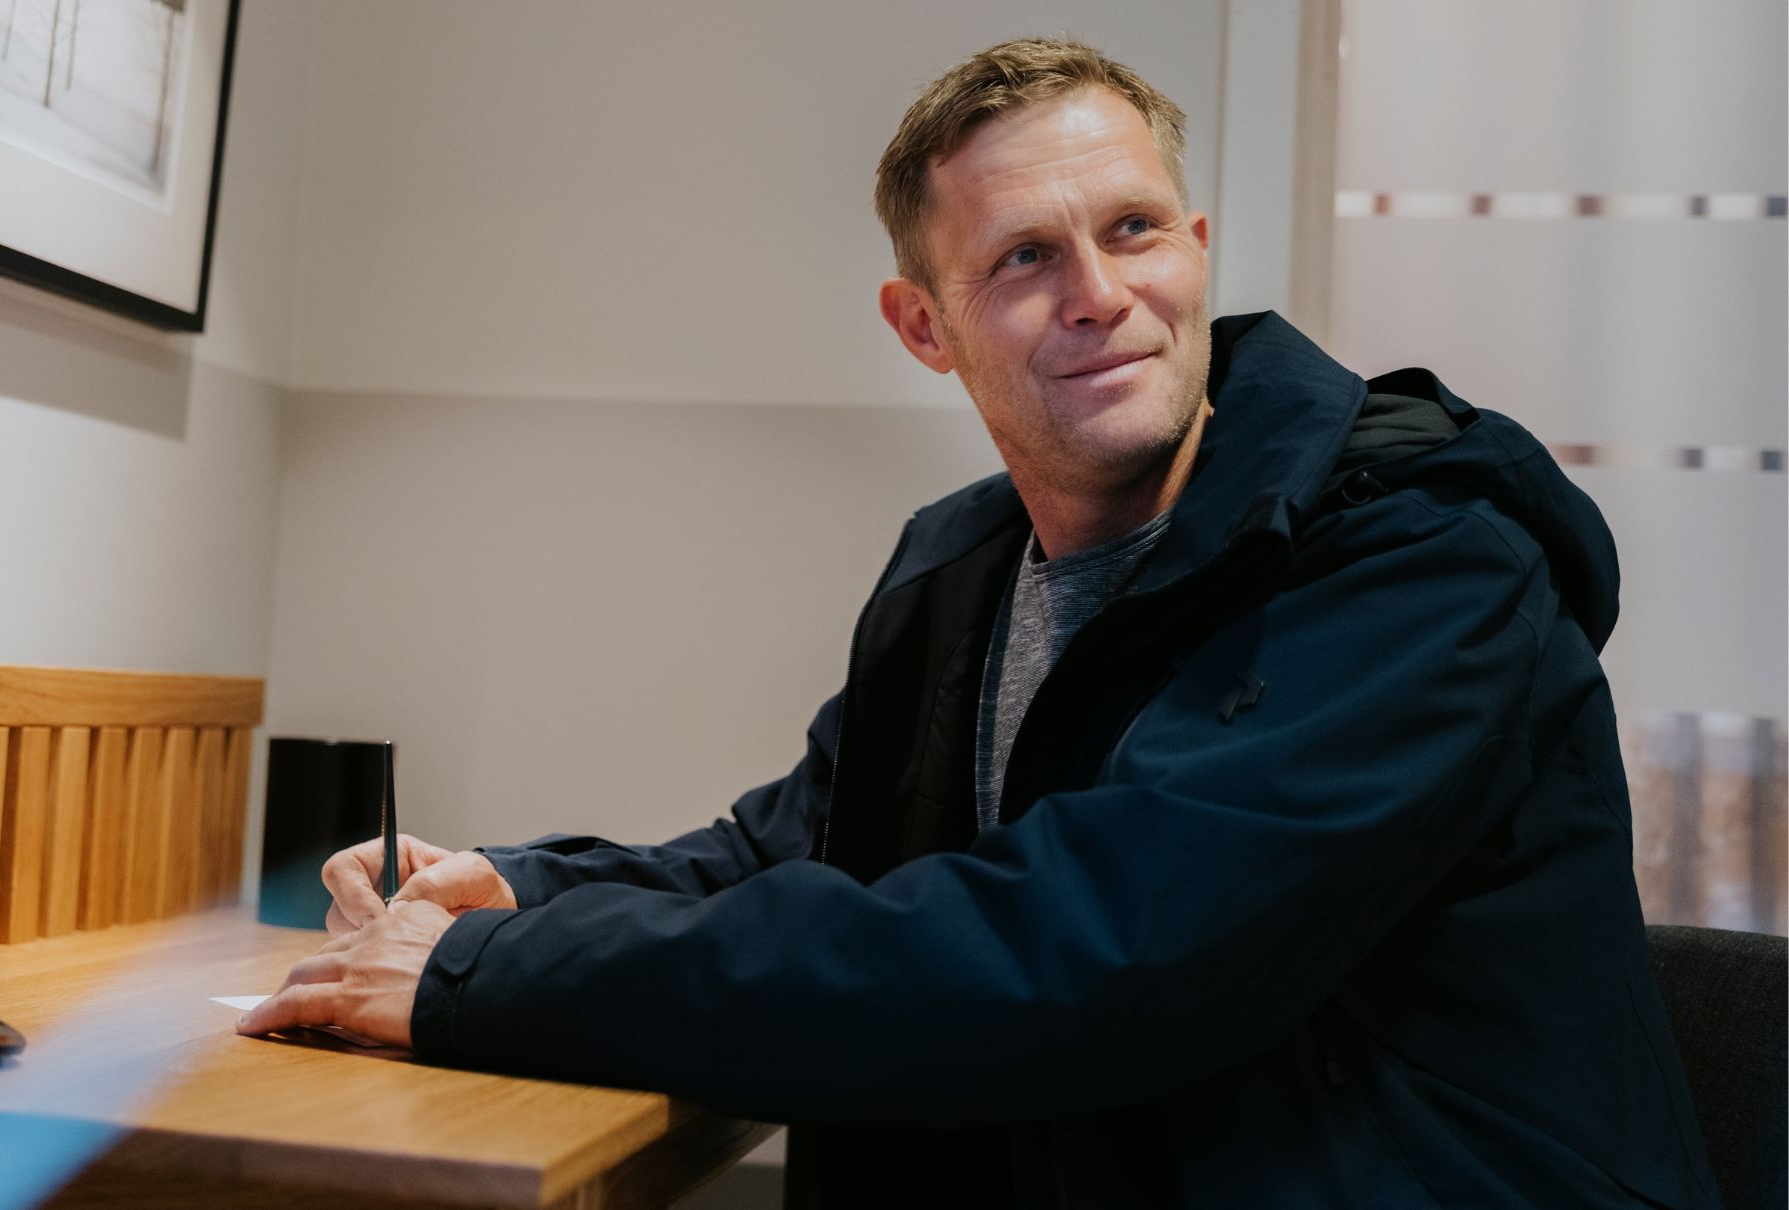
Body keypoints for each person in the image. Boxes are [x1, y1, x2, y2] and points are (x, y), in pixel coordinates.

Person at [237, 38, 1721, 1209]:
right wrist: (525, 887)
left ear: (1197, 247)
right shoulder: (958, 568)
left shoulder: (1417, 559)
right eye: (1023, 256)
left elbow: (1100, 948)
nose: (1100, 295)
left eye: (1134, 229)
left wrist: (479, 983)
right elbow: (807, 842)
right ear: (923, 324)